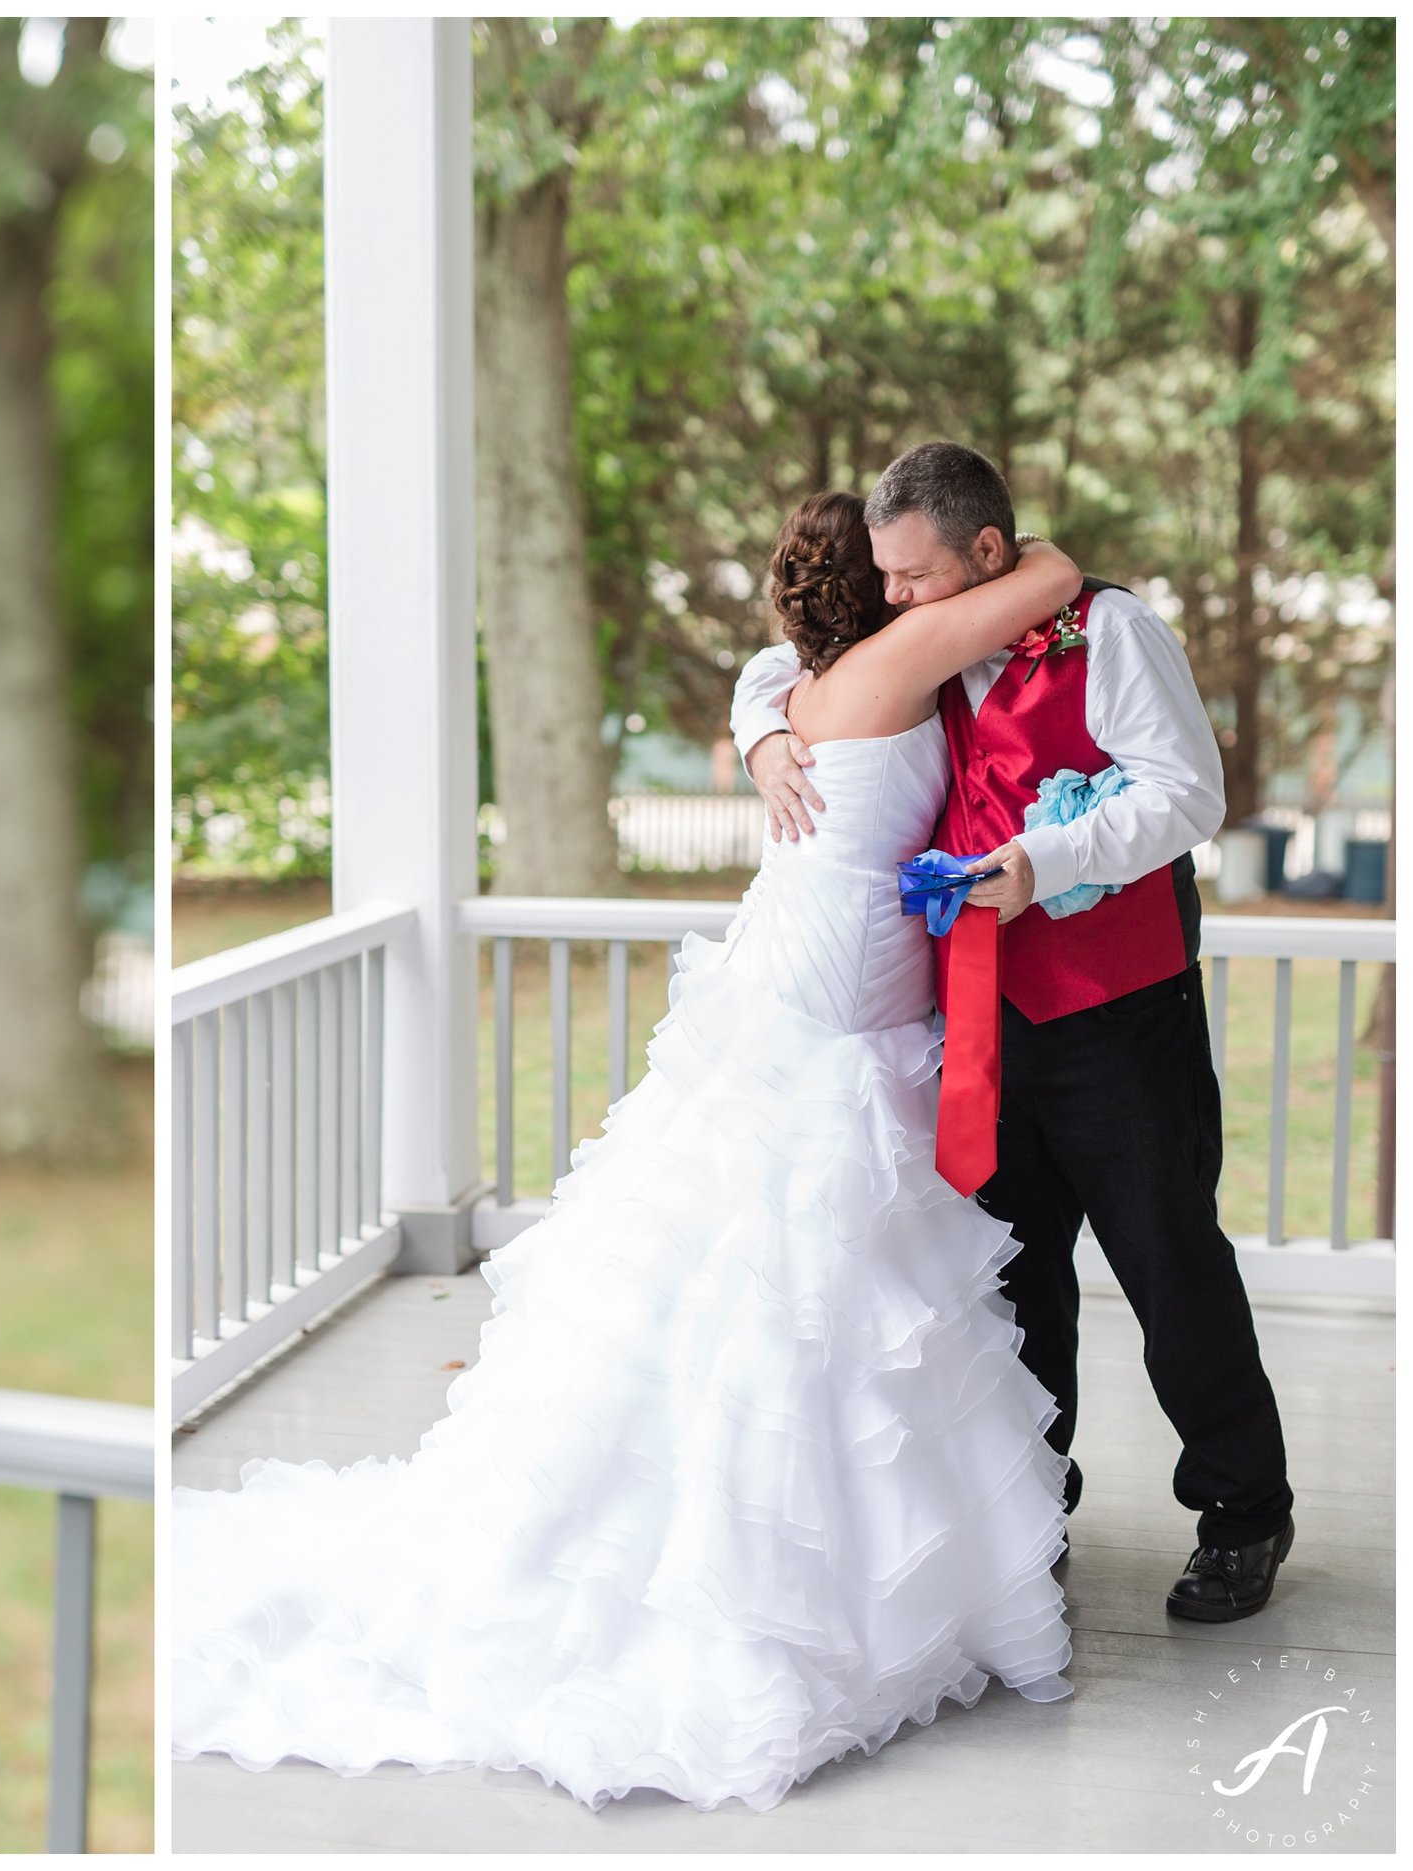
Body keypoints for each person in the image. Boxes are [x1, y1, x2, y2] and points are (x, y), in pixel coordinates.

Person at [174, 491, 1088, 1814]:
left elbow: (771, 666)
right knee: (787, 1275)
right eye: (886, 573)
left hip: (836, 970)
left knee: (810, 1274)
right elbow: (1052, 574)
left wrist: (763, 719)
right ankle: (762, 1583)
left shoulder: (825, 674)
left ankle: (857, 1562)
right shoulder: (895, 662)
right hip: (828, 992)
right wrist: (792, 700)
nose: (906, 589)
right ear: (867, 594)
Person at [733, 440, 1294, 1622]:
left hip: (1119, 1014)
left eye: (912, 576)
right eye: (882, 578)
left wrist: (1044, 861)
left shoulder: (1112, 633)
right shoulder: (917, 651)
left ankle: (1243, 1510)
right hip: (984, 1021)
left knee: (1168, 1266)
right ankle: (1034, 1501)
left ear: (988, 552)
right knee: (1011, 1279)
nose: (891, 600)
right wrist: (766, 735)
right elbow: (776, 671)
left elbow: (1187, 791)